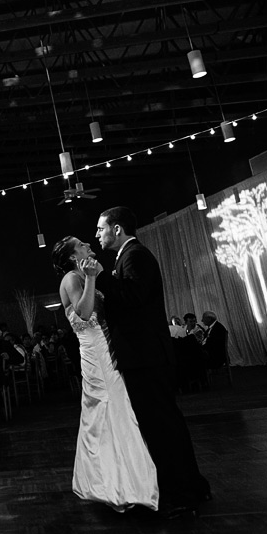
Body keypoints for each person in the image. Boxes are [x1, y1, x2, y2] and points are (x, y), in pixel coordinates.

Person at [94, 206, 211, 517]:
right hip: (143, 356)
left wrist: (100, 278)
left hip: (146, 356)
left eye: (101, 228)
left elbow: (133, 297)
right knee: (164, 424)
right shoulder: (128, 257)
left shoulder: (136, 255)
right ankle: (193, 485)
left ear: (117, 229)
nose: (97, 235)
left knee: (161, 427)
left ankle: (183, 495)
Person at [53, 235, 158, 512]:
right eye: (82, 245)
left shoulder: (84, 275)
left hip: (108, 347)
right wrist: (90, 279)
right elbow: (85, 314)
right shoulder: (72, 280)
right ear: (75, 257)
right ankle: (117, 486)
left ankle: (123, 481)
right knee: (109, 412)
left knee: (118, 412)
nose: (89, 245)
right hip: (97, 354)